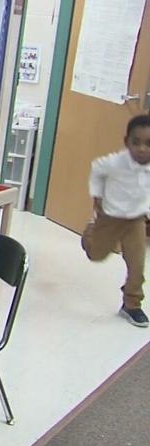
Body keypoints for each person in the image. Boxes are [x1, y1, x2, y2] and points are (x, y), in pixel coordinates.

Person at [81, 115, 150, 327]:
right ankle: (90, 233)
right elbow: (96, 170)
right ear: (126, 141)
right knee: (97, 254)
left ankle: (132, 304)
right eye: (135, 142)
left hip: (136, 221)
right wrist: (97, 197)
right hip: (110, 218)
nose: (141, 149)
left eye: (148, 144)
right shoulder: (114, 163)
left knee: (137, 265)